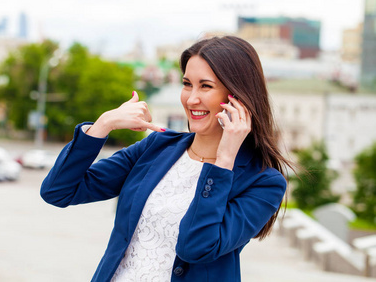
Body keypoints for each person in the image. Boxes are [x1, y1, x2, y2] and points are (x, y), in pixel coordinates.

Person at [40, 36, 291, 282]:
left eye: (205, 86)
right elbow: (58, 191)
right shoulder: (157, 147)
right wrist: (103, 125)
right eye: (186, 84)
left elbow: (196, 248)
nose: (191, 99)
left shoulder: (263, 182)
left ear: (237, 96)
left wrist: (223, 160)